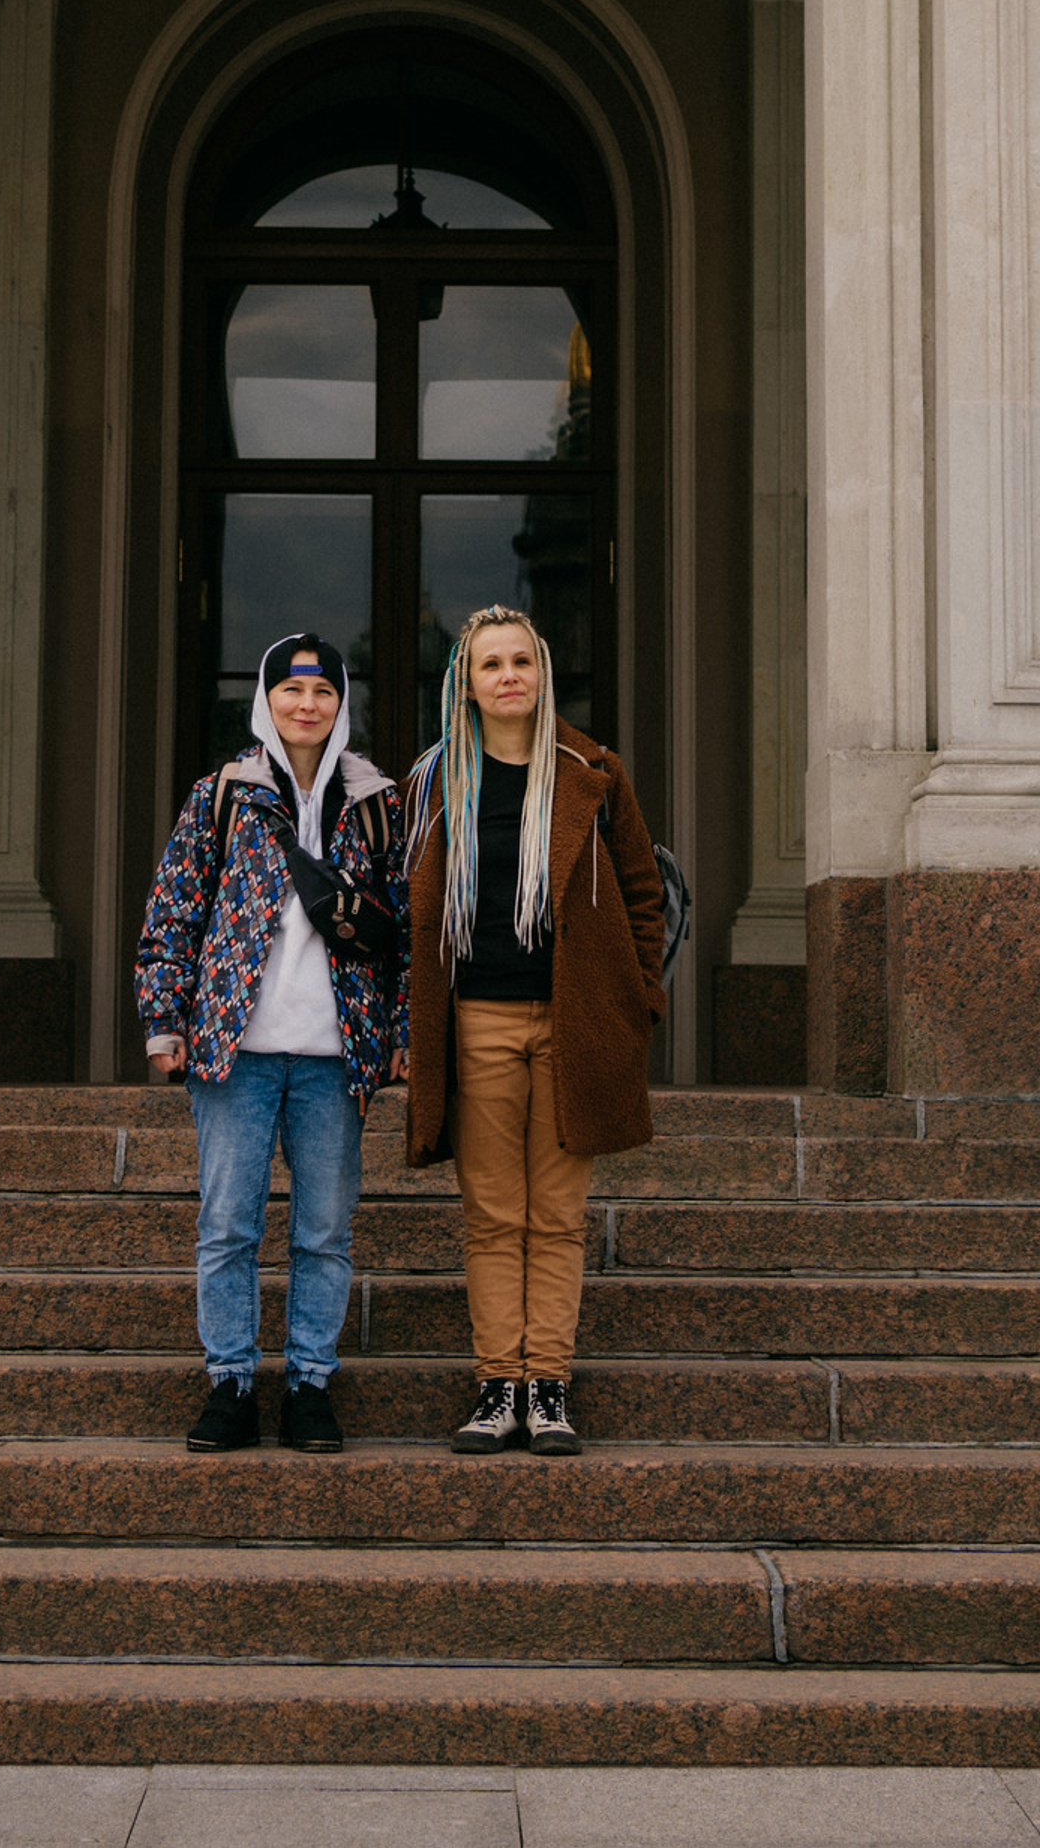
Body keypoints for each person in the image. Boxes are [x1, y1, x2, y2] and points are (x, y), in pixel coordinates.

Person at [133, 633, 408, 1454]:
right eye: (291, 690)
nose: (307, 705)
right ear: (266, 699)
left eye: (323, 691)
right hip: (235, 1050)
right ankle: (230, 1385)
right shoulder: (222, 795)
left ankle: (309, 1387)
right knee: (228, 1225)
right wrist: (164, 1018)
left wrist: (401, 1031)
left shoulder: (378, 805)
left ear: (341, 704)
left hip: (336, 1056)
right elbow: (174, 911)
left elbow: (405, 928)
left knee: (324, 1228)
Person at [402, 606, 663, 1456]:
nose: (508, 676)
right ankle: (496, 1387)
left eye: (522, 661)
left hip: (574, 1021)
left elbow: (642, 894)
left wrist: (639, 1003)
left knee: (556, 1214)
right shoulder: (437, 779)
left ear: (542, 673)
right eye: (490, 665)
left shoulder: (594, 770)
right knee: (492, 1214)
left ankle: (547, 1388)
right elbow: (412, 907)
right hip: (475, 1018)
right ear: (467, 685)